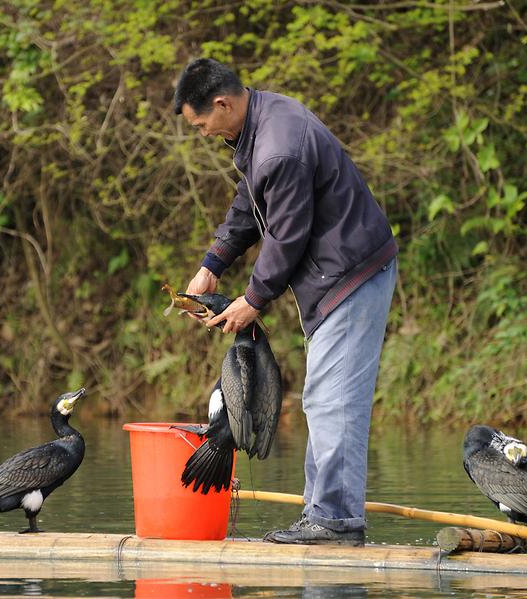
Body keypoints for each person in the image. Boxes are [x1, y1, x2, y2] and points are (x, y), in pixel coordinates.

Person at [174, 58, 397, 545]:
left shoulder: (277, 147)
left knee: (333, 401)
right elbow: (249, 202)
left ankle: (334, 521)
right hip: (336, 274)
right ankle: (322, 514)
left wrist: (252, 299)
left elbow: (287, 235)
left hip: (351, 274)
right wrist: (215, 261)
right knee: (322, 399)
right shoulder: (260, 126)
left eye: (201, 124)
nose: (203, 133)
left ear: (222, 104)